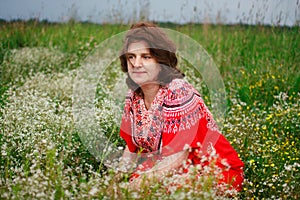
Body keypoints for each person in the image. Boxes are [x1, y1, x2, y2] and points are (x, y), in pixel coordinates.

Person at [118, 21, 244, 193]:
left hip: (207, 166)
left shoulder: (178, 91)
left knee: (169, 189)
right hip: (166, 163)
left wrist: (132, 188)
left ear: (160, 60)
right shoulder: (133, 95)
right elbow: (131, 148)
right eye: (131, 56)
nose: (136, 64)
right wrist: (114, 183)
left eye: (146, 57)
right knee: (139, 182)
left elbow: (178, 156)